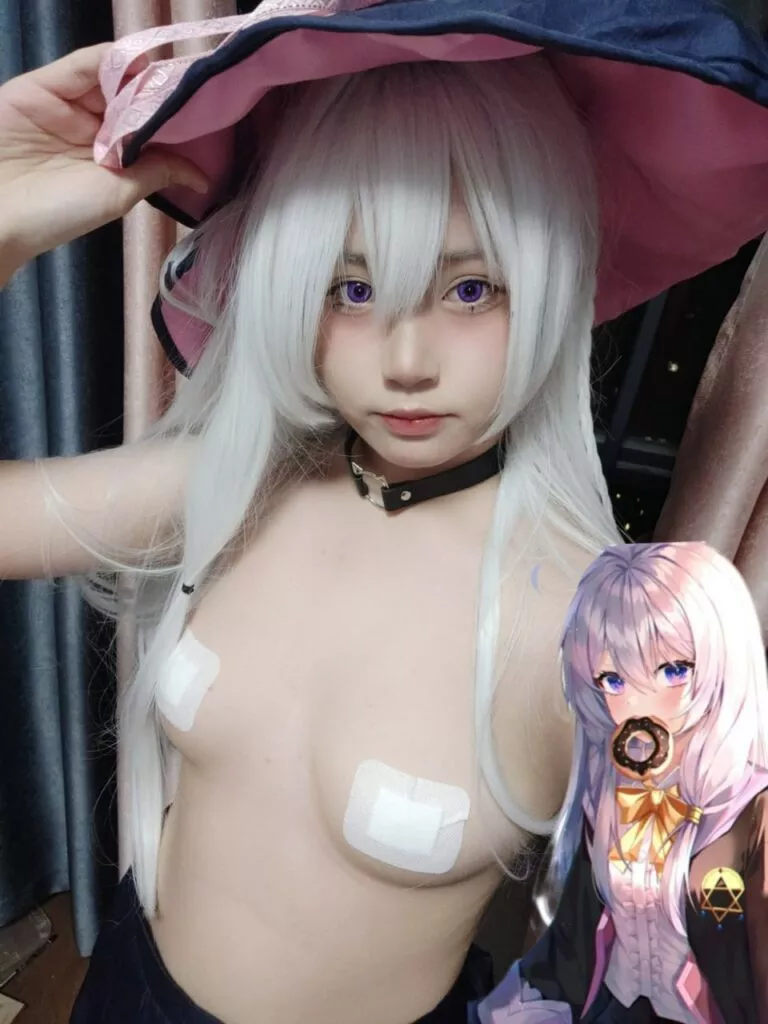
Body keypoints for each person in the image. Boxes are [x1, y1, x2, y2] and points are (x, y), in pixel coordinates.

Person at [0, 2, 766, 1022]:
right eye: (351, 290)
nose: (406, 361)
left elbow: (700, 951)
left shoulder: (598, 626)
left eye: (470, 289)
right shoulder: (237, 481)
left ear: (551, 279)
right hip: (124, 994)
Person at [473, 543, 768, 1023]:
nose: (638, 703)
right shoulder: (606, 791)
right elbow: (574, 935)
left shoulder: (751, 809)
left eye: (673, 670)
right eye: (613, 680)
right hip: (615, 1005)